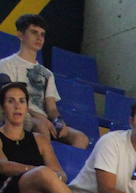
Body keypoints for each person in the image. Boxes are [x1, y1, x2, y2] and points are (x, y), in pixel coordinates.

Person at [0, 81, 106, 193]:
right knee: (43, 173)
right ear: (2, 108)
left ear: (27, 107)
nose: (17, 106)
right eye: (11, 101)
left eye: (22, 101)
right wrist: (36, 172)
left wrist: (54, 177)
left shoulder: (39, 139)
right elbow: (3, 167)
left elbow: (60, 173)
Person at [0, 15, 87, 150]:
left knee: (80, 138)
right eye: (34, 32)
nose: (39, 38)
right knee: (41, 126)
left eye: (42, 34)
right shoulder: (6, 64)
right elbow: (9, 99)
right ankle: (47, 166)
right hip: (20, 116)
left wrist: (59, 122)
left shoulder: (47, 73)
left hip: (44, 120)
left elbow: (51, 108)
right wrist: (39, 118)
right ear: (20, 35)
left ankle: (68, 170)